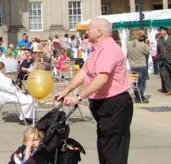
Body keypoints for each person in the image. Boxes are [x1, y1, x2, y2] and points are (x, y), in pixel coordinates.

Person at [55, 18, 132, 164]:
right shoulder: (96, 49)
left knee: (113, 151)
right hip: (102, 104)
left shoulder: (109, 49)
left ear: (99, 32)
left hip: (114, 103)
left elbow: (102, 78)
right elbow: (84, 73)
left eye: (89, 29)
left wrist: (78, 97)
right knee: (104, 147)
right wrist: (66, 91)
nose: (86, 31)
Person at [127, 30, 150, 103]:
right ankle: (141, 97)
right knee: (141, 82)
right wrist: (146, 43)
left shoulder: (128, 44)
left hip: (132, 65)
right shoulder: (142, 45)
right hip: (141, 65)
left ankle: (137, 97)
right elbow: (147, 52)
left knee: (135, 82)